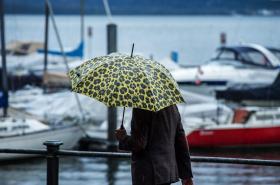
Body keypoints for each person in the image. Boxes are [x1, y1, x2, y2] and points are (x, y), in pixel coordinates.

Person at [115, 105, 194, 185]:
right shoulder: (172, 107)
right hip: (167, 174)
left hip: (147, 175)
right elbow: (181, 142)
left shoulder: (142, 107)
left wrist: (123, 138)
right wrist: (186, 176)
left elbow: (138, 144)